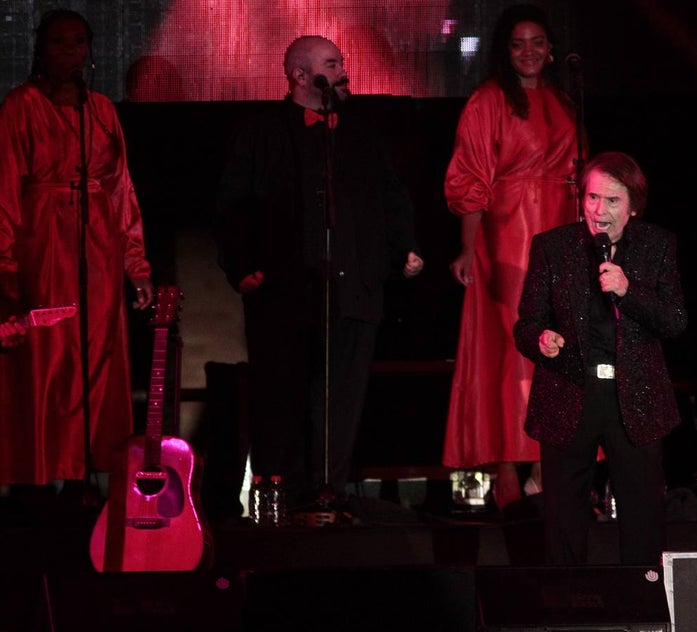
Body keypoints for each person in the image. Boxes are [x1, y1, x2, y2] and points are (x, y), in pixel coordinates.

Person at [215, 35, 423, 510]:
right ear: (300, 75)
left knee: (341, 398)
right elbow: (232, 205)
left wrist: (406, 248)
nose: (343, 71)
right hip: (283, 290)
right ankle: (281, 498)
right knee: (282, 395)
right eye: (332, 63)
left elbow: (392, 195)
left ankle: (329, 495)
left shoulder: (361, 133)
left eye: (341, 62)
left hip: (353, 287)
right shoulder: (262, 132)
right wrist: (241, 266)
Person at [0, 9, 155, 488]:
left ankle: (90, 469)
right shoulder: (21, 106)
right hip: (45, 243)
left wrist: (136, 265)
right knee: (52, 355)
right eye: (60, 42)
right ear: (42, 50)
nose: (71, 51)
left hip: (98, 244)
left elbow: (121, 188)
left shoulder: (101, 110)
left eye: (79, 42)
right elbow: (5, 189)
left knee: (98, 353)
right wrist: (5, 268)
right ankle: (46, 474)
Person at [514, 151, 686, 565]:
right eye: (593, 198)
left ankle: (642, 596)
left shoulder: (656, 246)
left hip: (635, 396)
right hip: (570, 390)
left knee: (643, 514)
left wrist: (629, 291)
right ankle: (566, 596)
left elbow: (675, 320)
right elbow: (526, 323)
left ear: (632, 207)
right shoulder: (553, 247)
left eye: (612, 200)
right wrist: (541, 339)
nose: (599, 210)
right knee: (563, 516)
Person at [441, 3, 581, 508]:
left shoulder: (564, 101)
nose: (529, 51)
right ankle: (506, 471)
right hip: (507, 233)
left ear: (551, 50)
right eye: (518, 43)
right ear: (505, 50)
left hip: (561, 230)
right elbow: (470, 178)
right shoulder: (488, 100)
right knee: (511, 348)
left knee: (561, 343)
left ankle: (550, 467)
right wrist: (468, 247)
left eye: (537, 42)